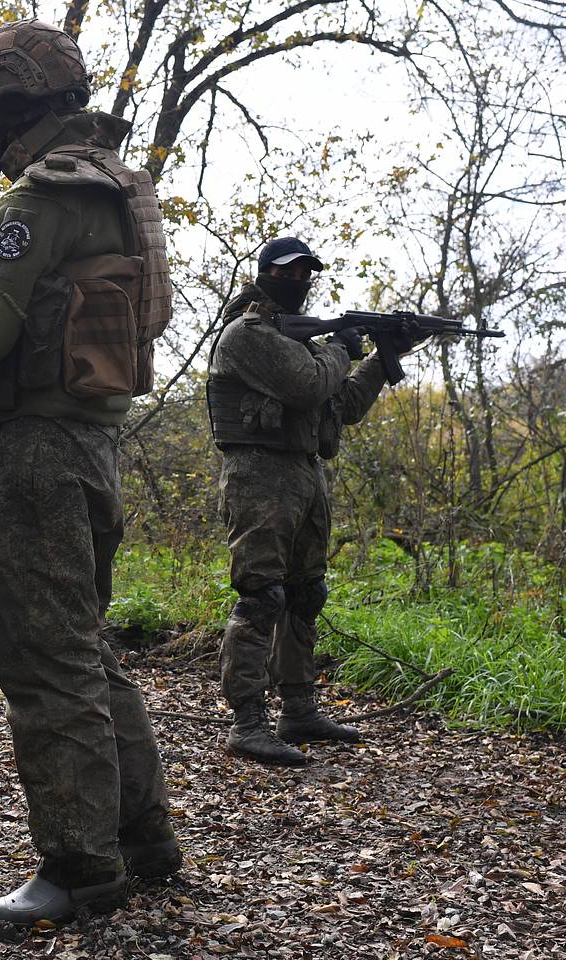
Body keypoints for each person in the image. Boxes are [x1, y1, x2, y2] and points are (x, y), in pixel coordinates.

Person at [0, 19, 180, 927]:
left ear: (21, 107)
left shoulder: (37, 199)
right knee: (88, 647)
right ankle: (144, 839)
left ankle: (80, 864)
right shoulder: (121, 189)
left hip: (41, 454)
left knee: (47, 660)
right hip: (95, 444)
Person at [207, 237, 426, 765]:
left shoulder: (305, 342)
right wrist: (341, 347)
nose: (298, 280)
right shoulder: (248, 334)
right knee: (261, 596)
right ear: (264, 274)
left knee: (306, 594)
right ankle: (247, 723)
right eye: (288, 271)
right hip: (259, 476)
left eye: (306, 271)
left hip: (304, 472)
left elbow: (343, 404)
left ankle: (298, 710)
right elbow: (308, 385)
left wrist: (385, 354)